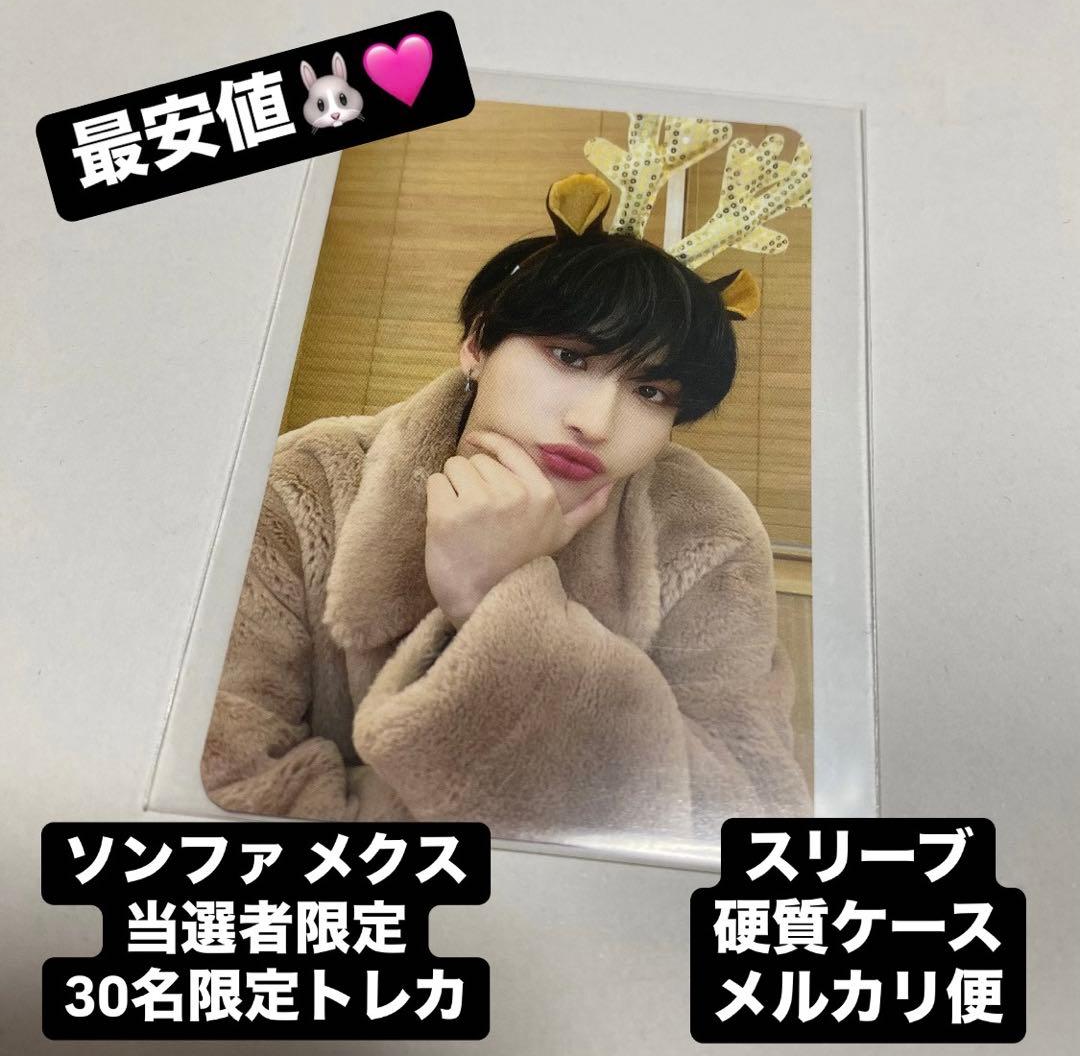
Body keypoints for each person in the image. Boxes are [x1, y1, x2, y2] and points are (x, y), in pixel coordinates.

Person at [200, 173, 810, 844]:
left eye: (651, 391)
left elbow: (746, 814)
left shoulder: (707, 531)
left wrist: (497, 598)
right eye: (569, 357)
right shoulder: (306, 483)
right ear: (478, 343)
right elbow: (228, 790)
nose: (596, 422)